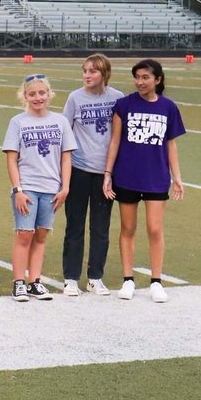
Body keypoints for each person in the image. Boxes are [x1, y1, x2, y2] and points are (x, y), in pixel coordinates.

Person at [103, 59, 185, 303]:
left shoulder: (168, 107)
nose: (140, 82)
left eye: (145, 77)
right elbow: (115, 141)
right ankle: (128, 279)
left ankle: (156, 281)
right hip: (127, 176)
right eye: (137, 77)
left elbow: (170, 145)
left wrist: (177, 177)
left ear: (157, 80)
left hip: (156, 177)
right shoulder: (123, 105)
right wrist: (108, 173)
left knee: (155, 229)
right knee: (128, 228)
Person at [3, 74, 75, 301]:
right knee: (25, 234)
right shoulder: (18, 122)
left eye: (42, 93)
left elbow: (66, 157)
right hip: (27, 188)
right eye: (32, 94)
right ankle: (19, 283)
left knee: (42, 235)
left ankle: (35, 282)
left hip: (51, 188)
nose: (38, 98)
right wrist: (18, 190)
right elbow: (12, 159)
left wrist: (65, 188)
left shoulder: (61, 121)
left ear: (49, 94)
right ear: (24, 96)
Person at [61, 54, 122, 296]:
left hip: (105, 173)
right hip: (78, 170)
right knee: (75, 226)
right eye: (85, 70)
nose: (87, 75)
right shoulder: (75, 98)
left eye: (93, 71)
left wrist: (112, 171)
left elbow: (119, 135)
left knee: (100, 228)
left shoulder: (117, 98)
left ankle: (95, 277)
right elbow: (65, 133)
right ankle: (71, 278)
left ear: (104, 74)